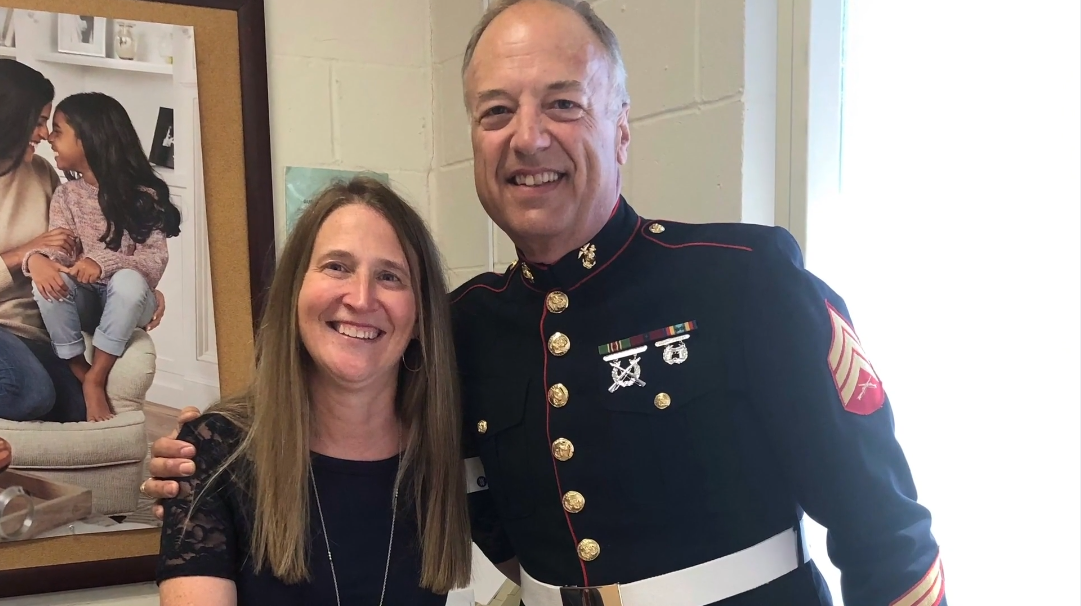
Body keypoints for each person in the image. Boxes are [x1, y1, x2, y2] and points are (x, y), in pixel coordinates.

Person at [144, 1, 948, 605]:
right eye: (496, 111)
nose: (527, 137)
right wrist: (206, 452)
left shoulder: (743, 280)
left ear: (620, 128)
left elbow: (885, 533)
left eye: (563, 103)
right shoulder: (463, 327)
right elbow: (393, 447)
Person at [154, 177, 473, 605]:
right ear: (294, 292)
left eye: (390, 276)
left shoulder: (446, 451)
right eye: (337, 266)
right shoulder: (214, 453)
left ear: (420, 317)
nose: (361, 299)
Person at [0, 61, 164, 423]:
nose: (44, 134)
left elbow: (77, 248)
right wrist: (24, 256)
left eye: (49, 124)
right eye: (38, 121)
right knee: (30, 394)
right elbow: (42, 252)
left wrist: (137, 284)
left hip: (36, 324)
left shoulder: (41, 173)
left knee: (75, 410)